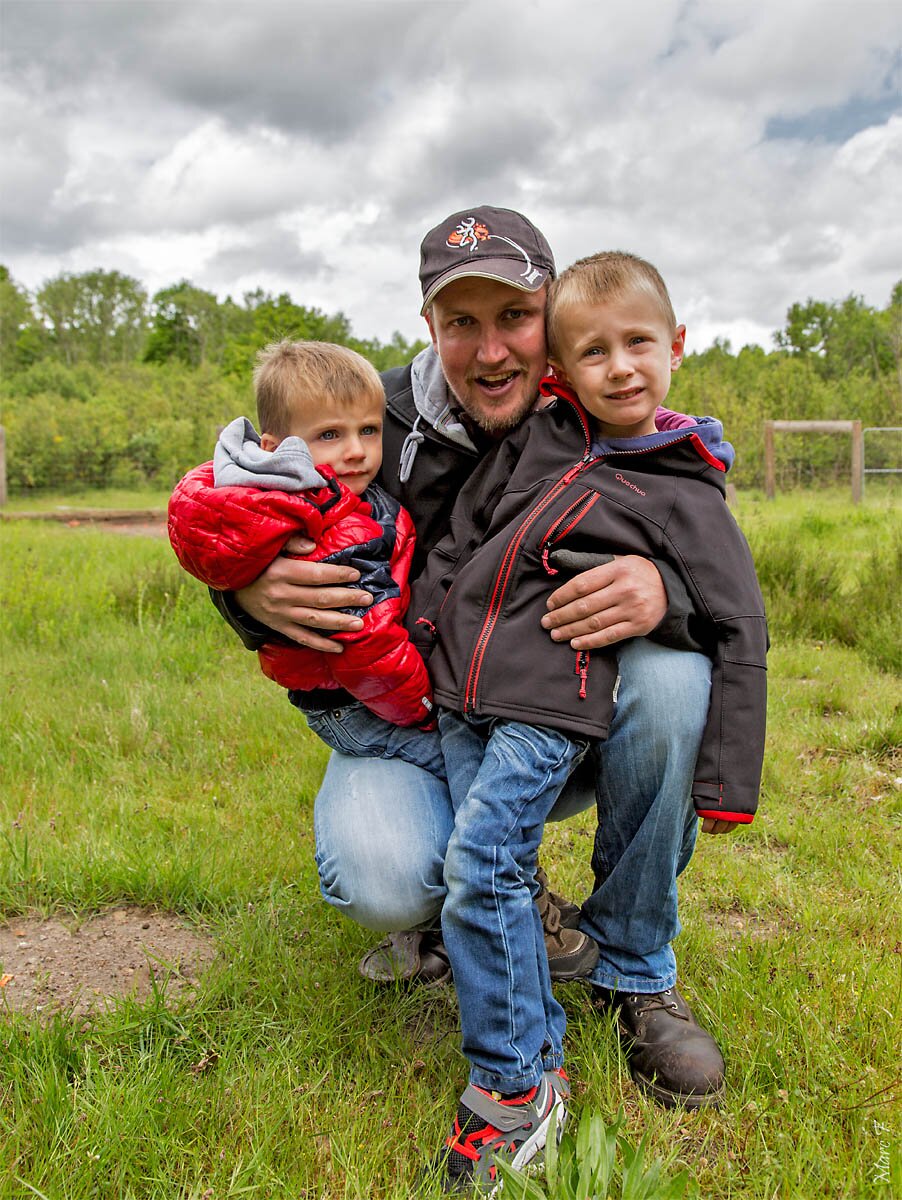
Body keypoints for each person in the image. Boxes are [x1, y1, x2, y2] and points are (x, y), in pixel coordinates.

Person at [191, 207, 728, 1113]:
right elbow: (237, 498)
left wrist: (663, 591)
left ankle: (634, 967)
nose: (491, 350)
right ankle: (466, 915)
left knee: (675, 681)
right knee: (381, 873)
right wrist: (243, 594)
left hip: (559, 711)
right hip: (418, 715)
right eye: (461, 322)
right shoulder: (366, 415)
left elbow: (716, 562)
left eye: (515, 317)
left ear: (551, 311)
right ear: (427, 323)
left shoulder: (604, 390)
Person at [407, 248, 767, 1187]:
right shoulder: (536, 437)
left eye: (639, 344)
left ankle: (529, 1071)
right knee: (485, 869)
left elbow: (739, 626)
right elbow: (460, 539)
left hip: (550, 700)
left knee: (483, 863)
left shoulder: (685, 486)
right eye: (596, 352)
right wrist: (426, 635)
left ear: (677, 345)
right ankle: (531, 997)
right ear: (563, 370)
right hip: (459, 696)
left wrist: (728, 781)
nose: (621, 368)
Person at [167, 340, 443, 777]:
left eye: (368, 430)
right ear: (275, 447)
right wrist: (423, 709)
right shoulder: (335, 526)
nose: (356, 450)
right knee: (459, 767)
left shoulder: (284, 500)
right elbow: (366, 642)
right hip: (363, 703)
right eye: (329, 435)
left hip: (342, 697)